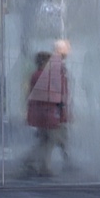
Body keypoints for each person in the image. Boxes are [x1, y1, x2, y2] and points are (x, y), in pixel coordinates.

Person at [25, 39, 72, 176]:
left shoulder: (39, 75)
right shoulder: (42, 76)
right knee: (49, 140)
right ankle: (41, 165)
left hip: (45, 114)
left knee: (46, 140)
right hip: (48, 114)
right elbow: (51, 96)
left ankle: (35, 162)